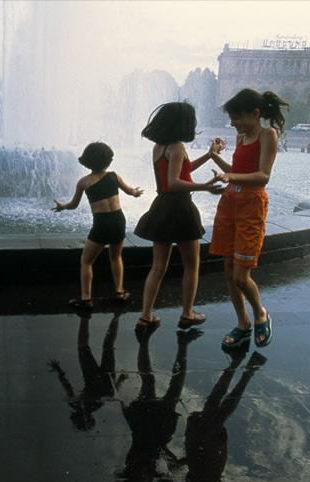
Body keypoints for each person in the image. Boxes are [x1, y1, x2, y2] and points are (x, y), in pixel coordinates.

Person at [134, 102, 224, 335]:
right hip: (181, 208)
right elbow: (174, 182)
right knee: (191, 265)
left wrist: (209, 155)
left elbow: (184, 169)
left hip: (162, 207)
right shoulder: (177, 146)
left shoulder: (160, 147)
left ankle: (146, 316)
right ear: (183, 123)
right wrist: (206, 186)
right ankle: (187, 313)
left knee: (158, 267)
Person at [208, 88, 288, 349]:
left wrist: (232, 178)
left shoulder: (268, 135)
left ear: (255, 113)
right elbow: (236, 172)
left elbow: (263, 176)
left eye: (236, 118)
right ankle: (242, 324)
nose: (233, 123)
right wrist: (214, 157)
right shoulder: (241, 137)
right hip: (229, 203)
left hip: (251, 206)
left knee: (242, 275)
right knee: (229, 271)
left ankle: (260, 314)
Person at [52, 141, 143, 309]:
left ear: (87, 160)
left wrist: (62, 206)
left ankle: (86, 299)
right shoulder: (114, 176)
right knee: (116, 257)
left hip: (102, 223)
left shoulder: (84, 182)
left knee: (86, 261)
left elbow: (73, 205)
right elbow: (131, 192)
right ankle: (119, 292)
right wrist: (136, 193)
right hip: (118, 220)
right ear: (108, 160)